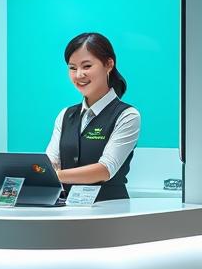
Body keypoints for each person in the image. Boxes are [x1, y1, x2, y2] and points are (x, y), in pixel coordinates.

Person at [46, 32, 140, 201]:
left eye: (87, 66)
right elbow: (51, 161)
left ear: (108, 64)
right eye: (72, 68)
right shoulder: (66, 115)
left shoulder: (127, 116)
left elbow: (105, 169)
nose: (79, 75)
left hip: (110, 212)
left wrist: (51, 175)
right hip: (66, 211)